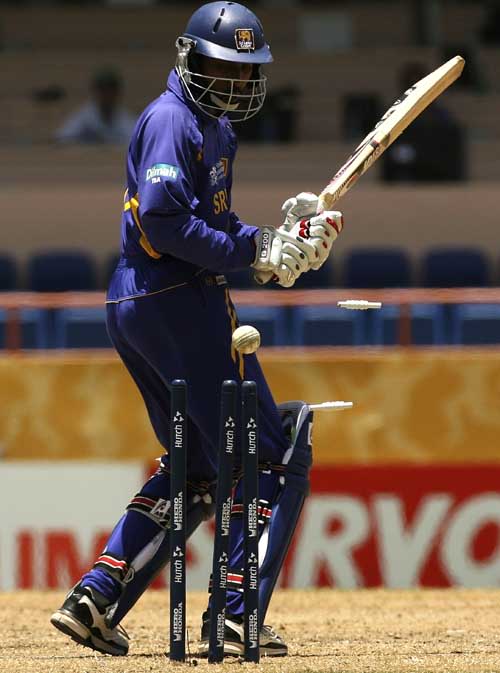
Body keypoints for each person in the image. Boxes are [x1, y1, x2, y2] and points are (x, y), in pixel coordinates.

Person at [50, 1, 343, 658]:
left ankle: (97, 596)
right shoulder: (171, 121)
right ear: (188, 58)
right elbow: (163, 223)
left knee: (202, 465)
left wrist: (275, 239)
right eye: (221, 68)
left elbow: (209, 226)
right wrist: (255, 249)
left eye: (245, 73)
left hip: (151, 302)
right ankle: (235, 614)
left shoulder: (215, 128)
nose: (234, 84)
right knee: (277, 447)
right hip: (174, 301)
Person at [55, 68, 136, 145]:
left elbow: (136, 142)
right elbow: (62, 138)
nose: (107, 94)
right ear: (95, 91)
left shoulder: (124, 118)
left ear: (117, 92)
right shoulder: (86, 116)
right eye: (102, 89)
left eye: (110, 89)